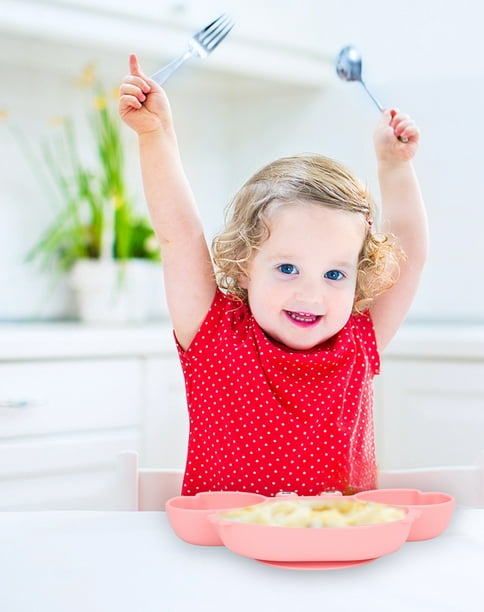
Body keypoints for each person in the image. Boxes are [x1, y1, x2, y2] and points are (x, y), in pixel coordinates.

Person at [118, 53, 428, 497]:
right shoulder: (213, 337)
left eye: (335, 275)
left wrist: (395, 166)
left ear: (359, 276)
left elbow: (408, 256)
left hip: (334, 554)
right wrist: (156, 135)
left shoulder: (358, 341)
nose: (310, 293)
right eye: (287, 268)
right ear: (244, 265)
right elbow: (180, 235)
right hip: (223, 553)